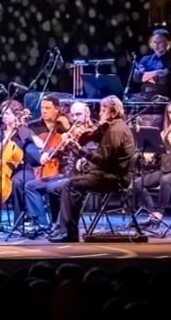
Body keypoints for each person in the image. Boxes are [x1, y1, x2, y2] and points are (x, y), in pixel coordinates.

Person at [46, 95, 136, 242]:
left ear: (113, 112)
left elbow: (104, 162)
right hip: (107, 173)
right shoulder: (113, 128)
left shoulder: (115, 131)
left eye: (103, 110)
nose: (100, 113)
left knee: (70, 185)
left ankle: (69, 233)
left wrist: (82, 151)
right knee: (57, 188)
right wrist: (79, 151)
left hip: (114, 178)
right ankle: (60, 228)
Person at [0, 100, 43, 229]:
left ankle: (19, 221)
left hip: (22, 168)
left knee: (16, 182)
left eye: (8, 113)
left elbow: (40, 144)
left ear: (16, 115)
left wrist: (22, 128)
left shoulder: (23, 131)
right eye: (3, 113)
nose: (4, 116)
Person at [129, 99, 171, 224]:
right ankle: (151, 211)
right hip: (166, 170)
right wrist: (148, 153)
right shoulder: (165, 131)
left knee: (165, 180)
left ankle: (159, 212)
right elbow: (154, 148)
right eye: (169, 112)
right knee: (137, 182)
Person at [25, 100, 91, 223]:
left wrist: (68, 130)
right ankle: (43, 223)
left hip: (82, 176)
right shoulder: (71, 132)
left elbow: (91, 154)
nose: (76, 118)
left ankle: (58, 224)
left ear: (87, 112)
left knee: (52, 187)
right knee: (30, 185)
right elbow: (57, 147)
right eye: (73, 115)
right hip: (66, 173)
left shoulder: (92, 131)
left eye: (79, 114)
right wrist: (52, 151)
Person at [129, 28, 171, 101]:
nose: (156, 45)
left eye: (160, 43)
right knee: (130, 103)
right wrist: (157, 73)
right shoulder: (145, 59)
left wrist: (145, 77)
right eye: (155, 42)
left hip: (160, 97)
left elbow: (163, 79)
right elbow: (137, 77)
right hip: (143, 95)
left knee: (157, 103)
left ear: (167, 43)